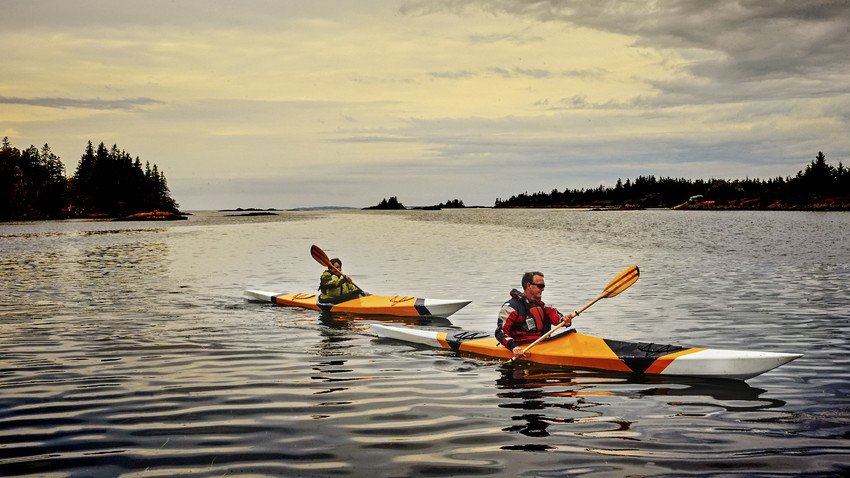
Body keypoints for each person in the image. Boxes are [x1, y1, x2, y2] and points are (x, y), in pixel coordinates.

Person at [496, 271, 575, 360]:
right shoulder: (511, 307)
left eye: (544, 286)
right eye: (540, 286)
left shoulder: (542, 306)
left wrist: (565, 320)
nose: (543, 289)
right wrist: (514, 347)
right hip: (521, 345)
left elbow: (558, 318)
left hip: (543, 344)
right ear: (529, 285)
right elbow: (500, 332)